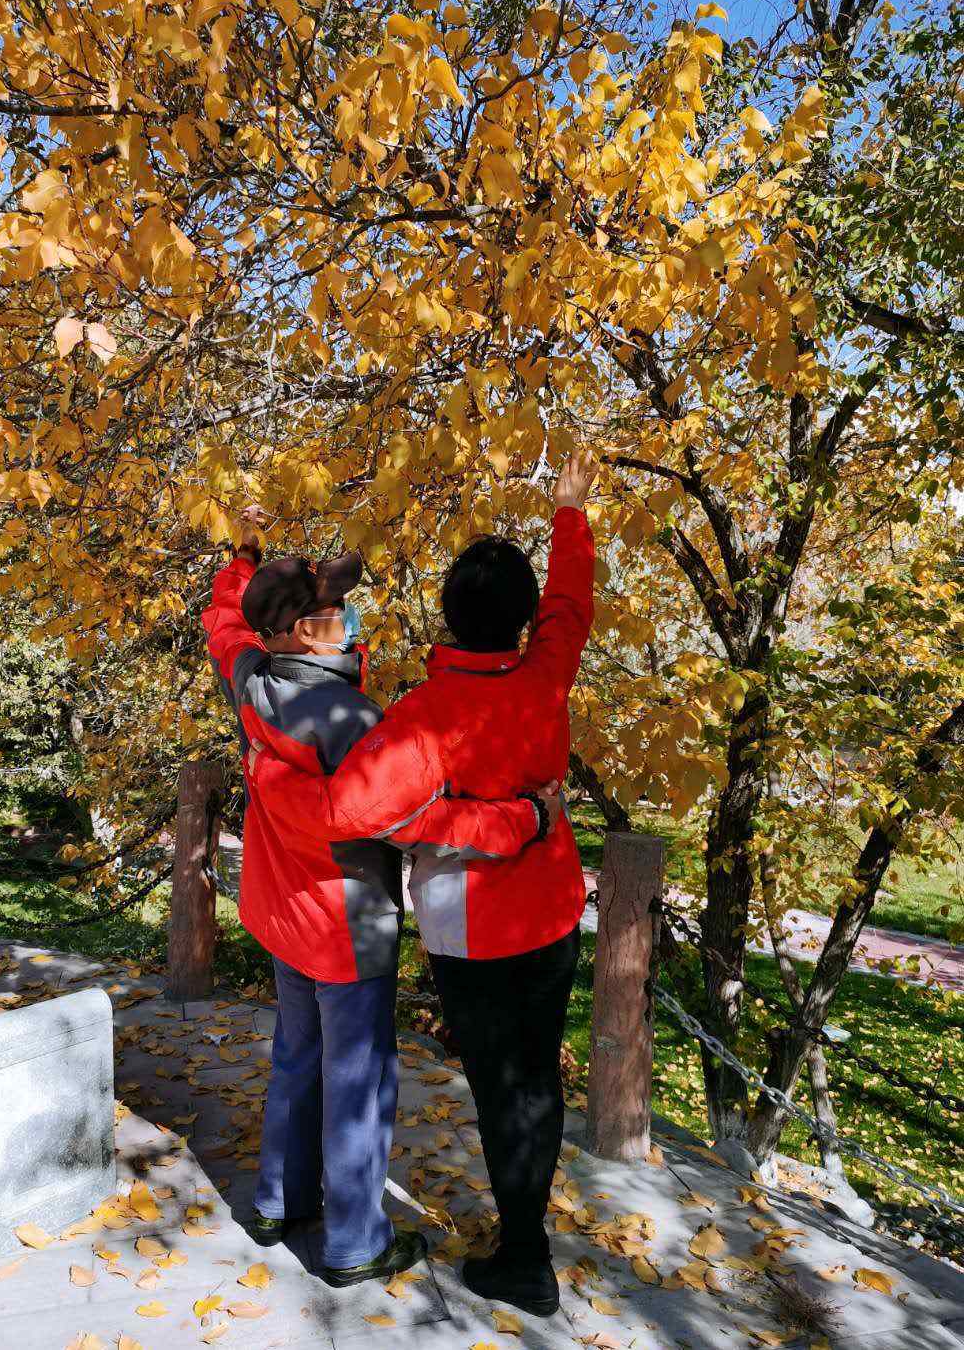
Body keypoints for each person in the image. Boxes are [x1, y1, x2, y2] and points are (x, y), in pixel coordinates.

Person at [247, 450, 599, 1317]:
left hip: (467, 932)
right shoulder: (546, 675)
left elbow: (349, 813)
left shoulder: (420, 718)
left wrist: (269, 778)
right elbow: (570, 609)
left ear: (447, 613)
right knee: (535, 1082)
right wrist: (571, 512)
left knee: (496, 1081)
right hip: (552, 912)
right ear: (519, 621)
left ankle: (524, 1256)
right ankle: (524, 1245)